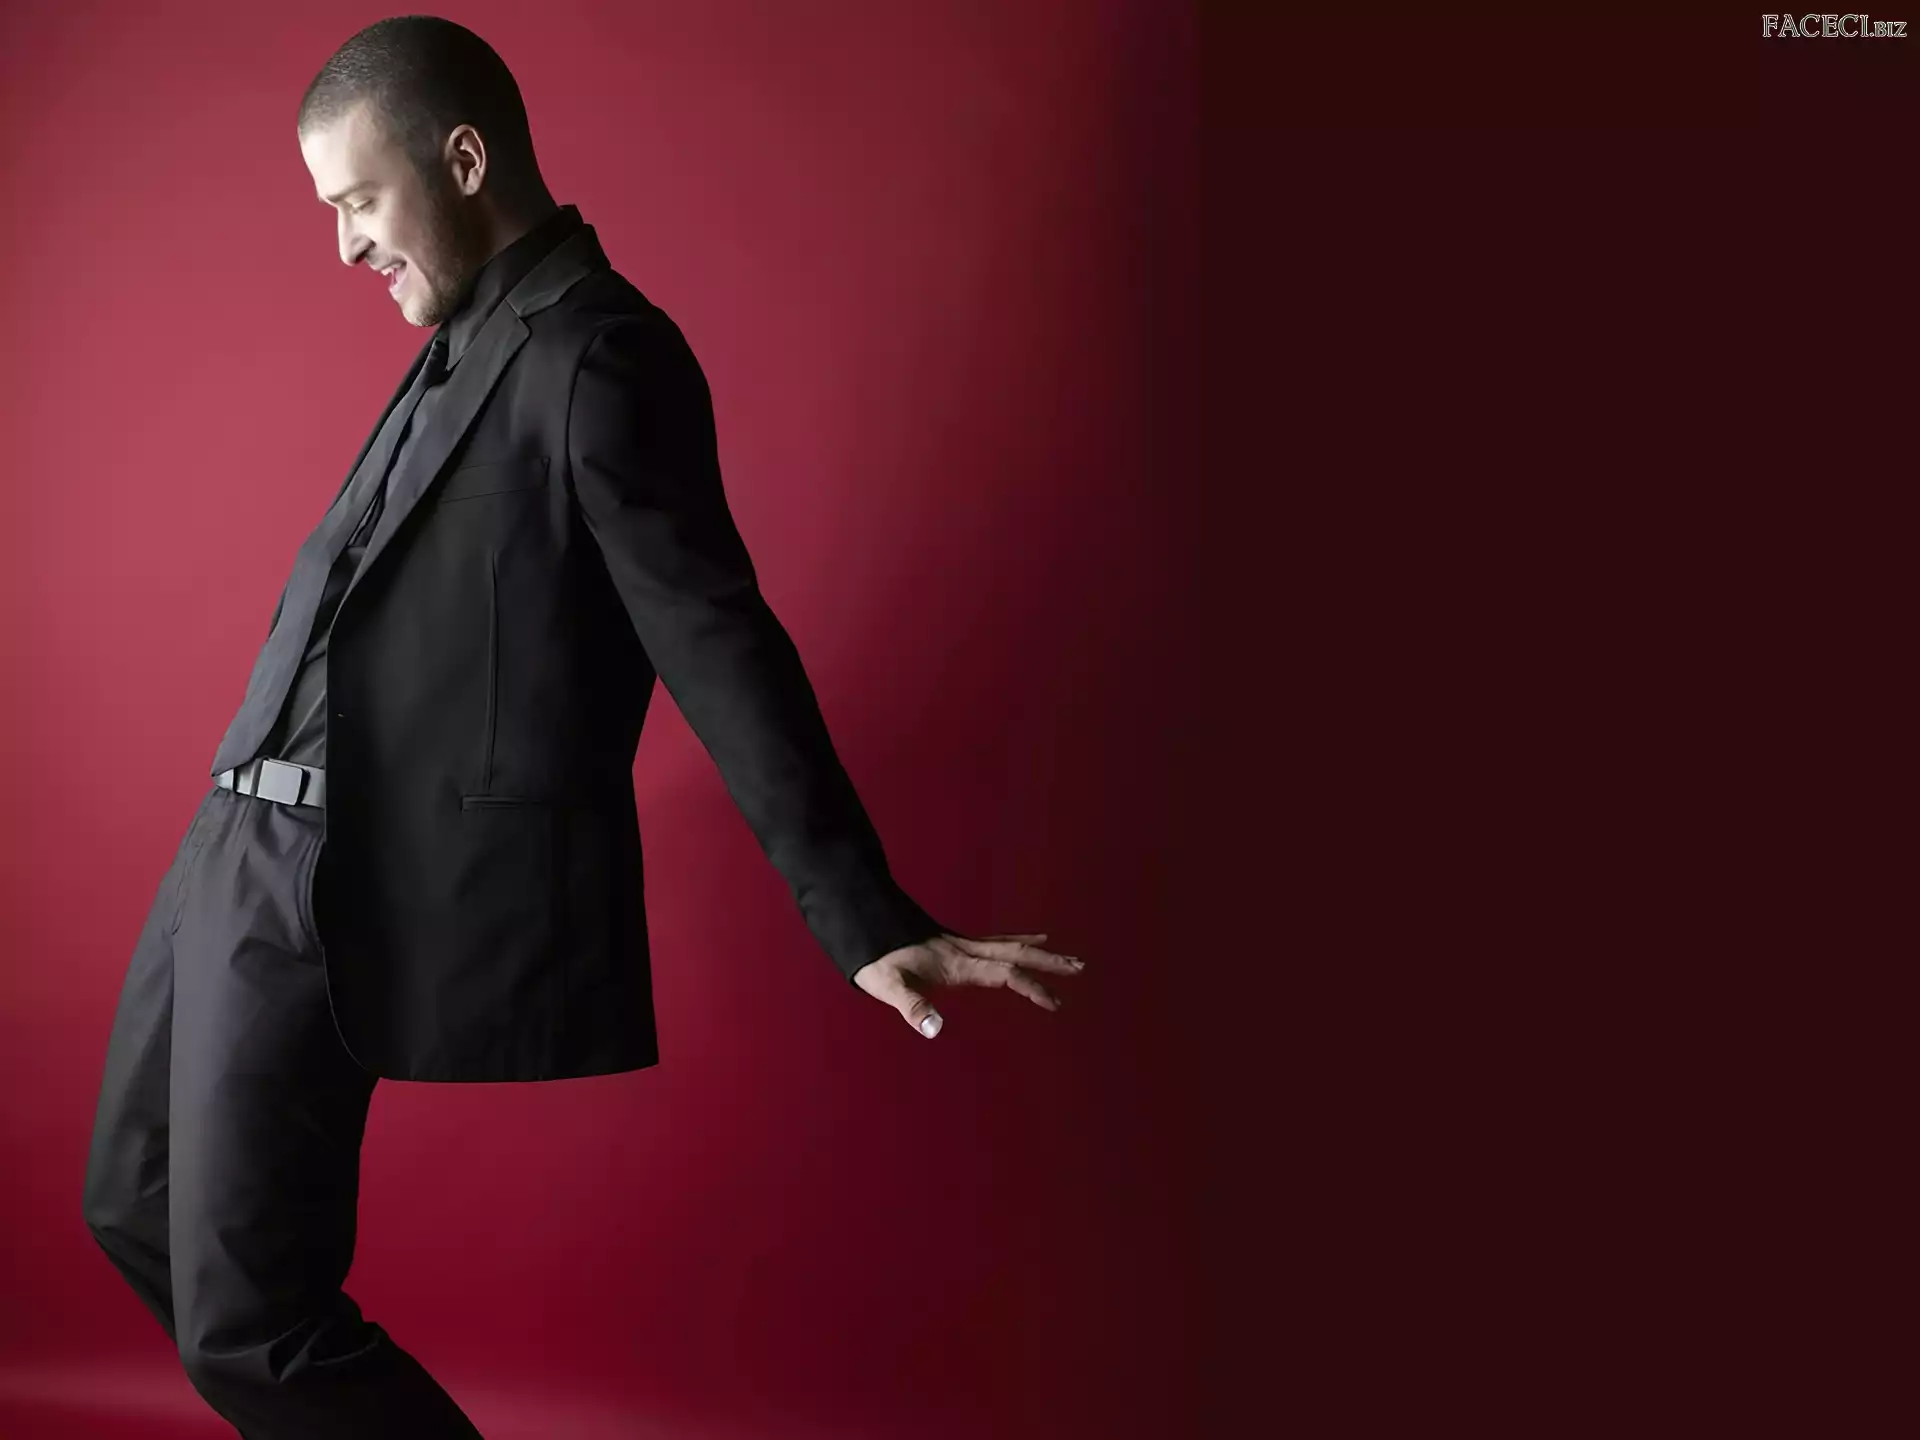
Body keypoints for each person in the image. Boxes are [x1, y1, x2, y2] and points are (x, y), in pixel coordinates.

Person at [80, 15, 1084, 1437]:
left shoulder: (603, 356)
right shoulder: (461, 337)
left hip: (323, 874)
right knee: (128, 1206)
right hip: (224, 849)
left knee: (250, 1326)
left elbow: (717, 639)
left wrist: (858, 913)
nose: (347, 246)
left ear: (463, 159)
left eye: (359, 201)